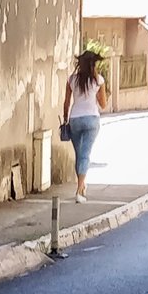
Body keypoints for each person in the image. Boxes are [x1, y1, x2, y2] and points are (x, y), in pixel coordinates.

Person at [61, 49, 109, 202]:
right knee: (85, 154)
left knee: (79, 155)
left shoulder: (71, 80)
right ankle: (79, 190)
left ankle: (81, 186)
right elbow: (103, 105)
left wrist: (65, 119)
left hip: (75, 119)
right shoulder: (98, 80)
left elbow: (66, 102)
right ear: (93, 65)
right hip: (92, 120)